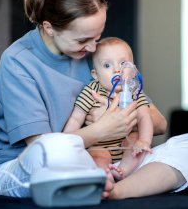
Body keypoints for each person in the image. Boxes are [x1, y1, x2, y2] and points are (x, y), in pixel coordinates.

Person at [0, 0, 188, 199]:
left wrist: (124, 119)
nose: (93, 48)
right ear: (49, 28)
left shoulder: (100, 58)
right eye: (83, 40)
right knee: (54, 148)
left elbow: (158, 124)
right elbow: (40, 147)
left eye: (97, 37)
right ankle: (97, 180)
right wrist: (100, 129)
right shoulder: (18, 61)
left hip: (108, 158)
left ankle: (113, 190)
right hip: (26, 167)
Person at [63, 37, 153, 181]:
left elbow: (144, 117)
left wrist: (144, 141)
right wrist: (67, 141)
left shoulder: (134, 92)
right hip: (99, 147)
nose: (117, 70)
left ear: (132, 70)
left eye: (123, 64)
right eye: (107, 66)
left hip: (127, 144)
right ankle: (105, 176)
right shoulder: (91, 92)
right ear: (95, 75)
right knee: (97, 156)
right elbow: (75, 118)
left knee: (136, 141)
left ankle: (123, 170)